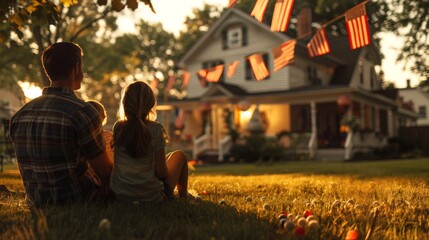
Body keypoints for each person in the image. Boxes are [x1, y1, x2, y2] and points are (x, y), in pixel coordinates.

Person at [9, 42, 113, 207]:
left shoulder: (19, 115)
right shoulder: (83, 111)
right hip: (77, 198)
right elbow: (105, 172)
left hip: (35, 200)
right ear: (76, 68)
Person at [110, 81, 189, 203]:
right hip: (151, 197)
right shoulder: (156, 129)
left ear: (125, 103)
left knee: (168, 158)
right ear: (151, 104)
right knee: (180, 155)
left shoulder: (118, 127)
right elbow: (161, 172)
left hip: (120, 196)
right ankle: (184, 197)